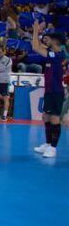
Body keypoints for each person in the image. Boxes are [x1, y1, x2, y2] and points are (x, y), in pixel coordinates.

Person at [30, 23, 65, 158]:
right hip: (49, 91)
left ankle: (53, 148)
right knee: (46, 116)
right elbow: (38, 46)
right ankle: (48, 143)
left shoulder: (57, 55)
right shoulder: (53, 53)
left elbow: (35, 47)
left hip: (56, 92)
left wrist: (35, 31)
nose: (45, 40)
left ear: (55, 42)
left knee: (55, 118)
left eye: (48, 39)